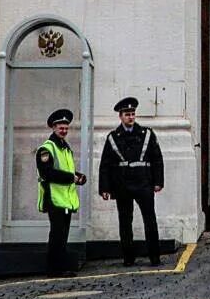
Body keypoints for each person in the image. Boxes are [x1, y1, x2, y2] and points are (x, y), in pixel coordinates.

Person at [99, 97, 164, 266]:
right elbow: (105, 164)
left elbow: (157, 159)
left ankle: (155, 257)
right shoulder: (113, 137)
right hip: (123, 185)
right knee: (125, 222)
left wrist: (158, 182)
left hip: (144, 183)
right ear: (120, 116)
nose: (131, 117)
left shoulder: (147, 134)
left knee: (150, 220)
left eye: (133, 114)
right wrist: (104, 188)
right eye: (127, 114)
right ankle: (128, 258)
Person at [36, 109, 87, 277]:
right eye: (60, 127)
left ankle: (61, 268)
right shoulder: (46, 148)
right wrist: (71, 178)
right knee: (57, 235)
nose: (64, 130)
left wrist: (78, 176)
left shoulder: (65, 148)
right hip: (54, 198)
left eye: (66, 127)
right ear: (53, 127)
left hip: (65, 199)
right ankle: (54, 269)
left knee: (63, 235)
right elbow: (47, 173)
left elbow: (65, 170)